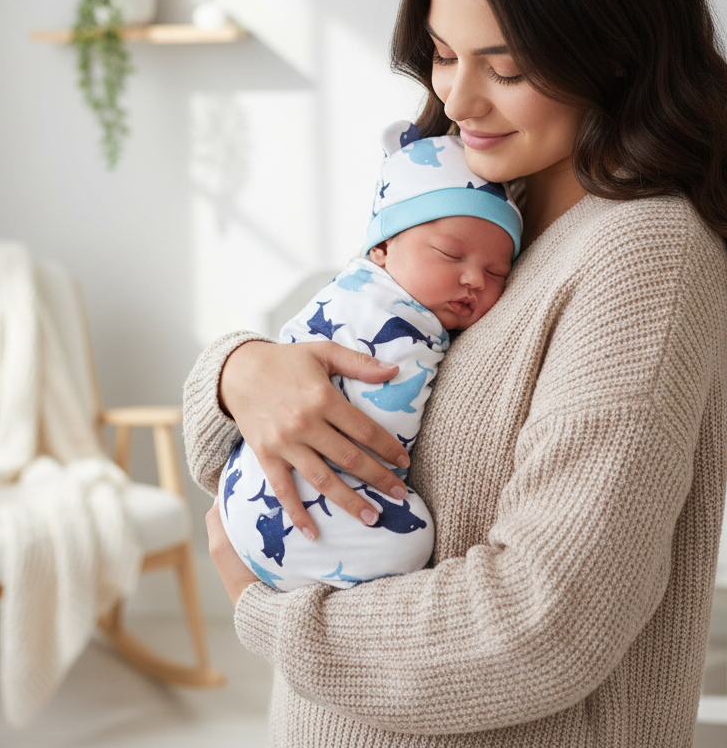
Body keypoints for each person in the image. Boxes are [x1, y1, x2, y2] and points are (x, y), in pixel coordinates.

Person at [183, 0, 727, 748]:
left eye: (505, 67)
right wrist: (240, 373)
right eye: (441, 54)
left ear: (613, 52)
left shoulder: (643, 257)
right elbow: (303, 393)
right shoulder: (480, 202)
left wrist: (273, 618)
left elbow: (543, 625)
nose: (458, 97)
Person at [218, 119, 522, 592]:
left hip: (239, 503)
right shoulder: (379, 307)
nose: (474, 280)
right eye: (449, 254)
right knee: (411, 541)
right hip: (286, 498)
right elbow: (380, 424)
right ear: (380, 249)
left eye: (497, 271)